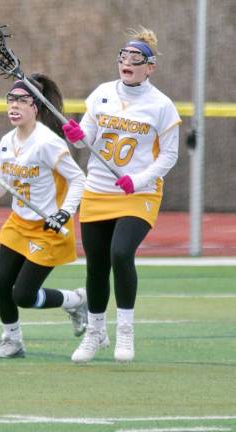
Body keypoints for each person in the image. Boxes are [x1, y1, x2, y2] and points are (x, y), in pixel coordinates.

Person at [62, 27, 180, 363]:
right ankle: (96, 332)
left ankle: (125, 329)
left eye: (135, 58)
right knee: (96, 265)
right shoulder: (101, 94)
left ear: (150, 67)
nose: (126, 63)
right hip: (98, 189)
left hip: (138, 193)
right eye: (123, 57)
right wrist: (75, 134)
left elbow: (169, 155)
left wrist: (139, 178)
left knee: (120, 252)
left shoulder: (162, 106)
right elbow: (85, 138)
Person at [0, 74, 88, 358]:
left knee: (22, 295)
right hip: (18, 223)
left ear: (35, 107)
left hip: (48, 228)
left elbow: (79, 179)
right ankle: (12, 341)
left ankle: (75, 300)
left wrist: (64, 212)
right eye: (10, 99)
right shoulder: (7, 141)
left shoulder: (48, 143)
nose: (14, 106)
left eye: (21, 101)